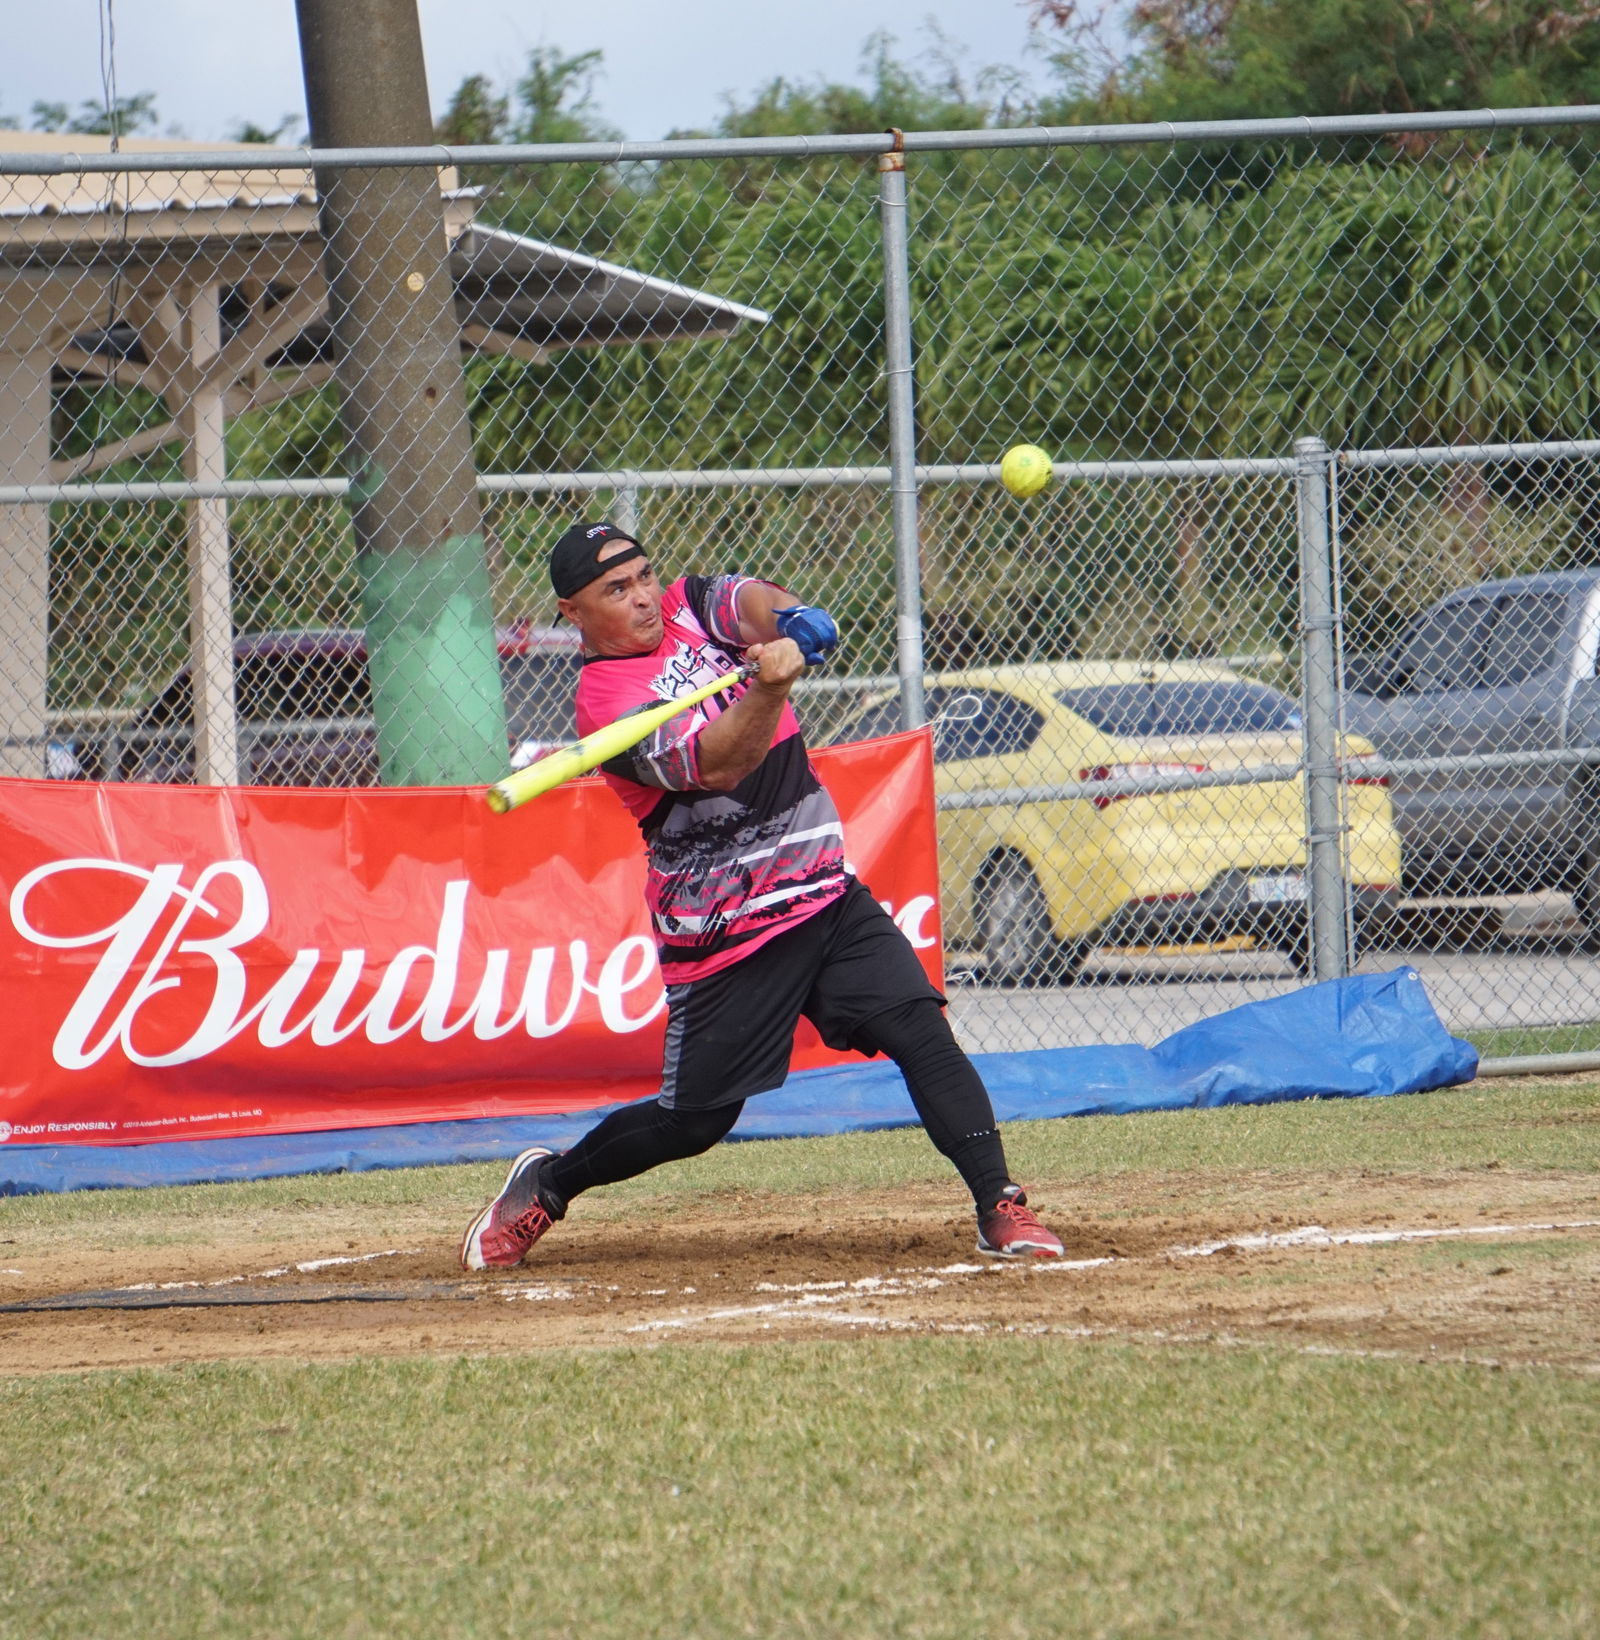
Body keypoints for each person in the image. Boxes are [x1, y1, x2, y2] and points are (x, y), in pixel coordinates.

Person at [460, 521, 1065, 1269]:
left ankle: (999, 1205)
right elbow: (721, 766)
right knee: (693, 1123)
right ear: (572, 612)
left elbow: (747, 602)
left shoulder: (687, 605)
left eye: (645, 575)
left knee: (920, 1029)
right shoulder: (606, 703)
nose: (644, 597)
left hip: (819, 890)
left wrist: (791, 619)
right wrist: (770, 686)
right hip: (725, 931)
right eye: (616, 590)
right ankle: (549, 1184)